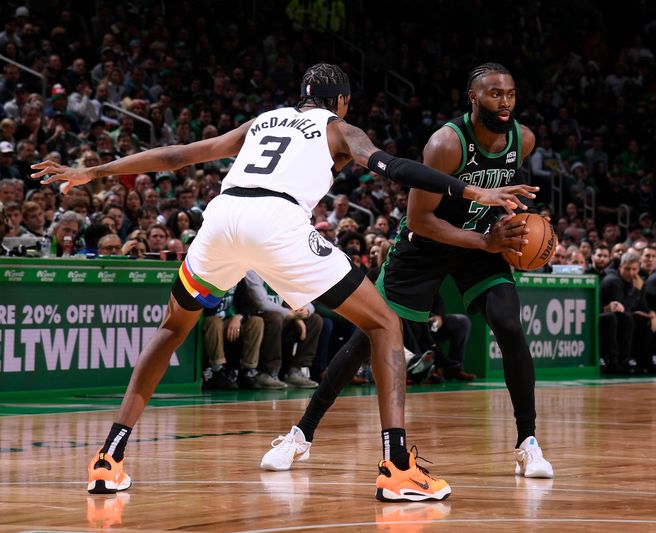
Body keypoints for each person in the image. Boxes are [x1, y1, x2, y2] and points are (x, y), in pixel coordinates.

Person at [32, 63, 535, 501]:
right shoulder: (338, 128)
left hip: (222, 220)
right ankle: (397, 468)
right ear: (340, 101)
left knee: (171, 330)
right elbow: (393, 167)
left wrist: (93, 171)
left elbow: (178, 156)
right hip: (277, 223)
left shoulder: (263, 121)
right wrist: (471, 190)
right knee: (385, 324)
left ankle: (109, 456)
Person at [261, 63, 553, 480]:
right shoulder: (446, 144)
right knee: (369, 338)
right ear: (473, 98)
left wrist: (517, 229)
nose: (504, 102)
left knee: (508, 324)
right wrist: (483, 241)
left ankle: (528, 443)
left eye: (509, 93)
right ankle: (300, 435)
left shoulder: (522, 139)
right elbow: (419, 219)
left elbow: (507, 194)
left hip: (479, 239)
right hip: (427, 244)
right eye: (494, 94)